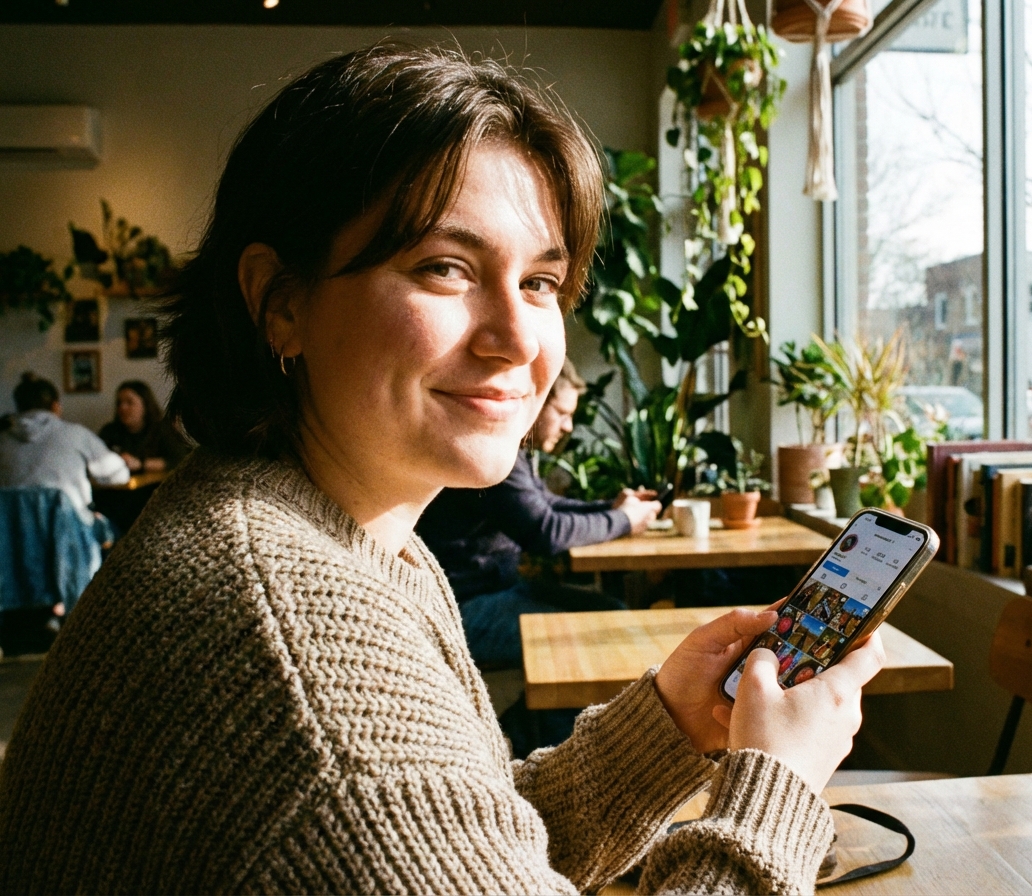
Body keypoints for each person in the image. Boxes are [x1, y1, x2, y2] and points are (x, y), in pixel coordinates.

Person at [0, 45, 884, 894]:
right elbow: (371, 798)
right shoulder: (305, 661)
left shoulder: (330, 528)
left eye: (540, 282)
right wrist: (776, 792)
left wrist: (667, 728)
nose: (514, 339)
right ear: (280, 301)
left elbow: (454, 842)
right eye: (444, 268)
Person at [417, 356, 660, 670]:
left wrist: (613, 508)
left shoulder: (515, 450)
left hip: (499, 589)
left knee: (612, 611)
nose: (568, 426)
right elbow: (546, 531)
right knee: (602, 636)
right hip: (463, 609)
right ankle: (536, 720)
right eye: (562, 413)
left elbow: (546, 504)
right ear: (535, 400)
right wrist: (624, 519)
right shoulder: (495, 455)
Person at [0, 372, 129, 522]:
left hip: (13, 537)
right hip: (71, 532)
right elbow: (120, 476)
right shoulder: (76, 434)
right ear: (56, 406)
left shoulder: (3, 439)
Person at [98, 380, 189, 475]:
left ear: (145, 404)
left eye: (129, 402)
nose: (122, 407)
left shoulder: (162, 429)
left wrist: (140, 464)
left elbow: (179, 460)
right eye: (119, 403)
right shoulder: (109, 431)